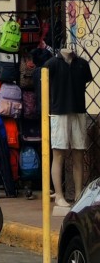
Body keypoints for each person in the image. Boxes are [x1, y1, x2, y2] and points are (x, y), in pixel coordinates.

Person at [45, 46, 93, 206]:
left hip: (79, 111)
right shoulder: (51, 64)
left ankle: (79, 194)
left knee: (78, 154)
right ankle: (59, 195)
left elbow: (86, 80)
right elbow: (43, 87)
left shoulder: (82, 64)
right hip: (59, 113)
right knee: (58, 154)